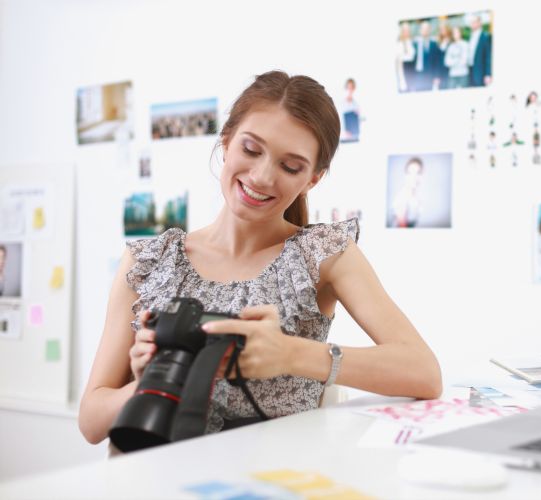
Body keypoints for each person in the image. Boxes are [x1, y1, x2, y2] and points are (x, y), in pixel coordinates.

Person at [78, 71, 442, 445]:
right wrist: (145, 384)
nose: (262, 176)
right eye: (251, 150)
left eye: (290, 167)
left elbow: (423, 371)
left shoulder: (323, 255)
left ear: (312, 179)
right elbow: (91, 422)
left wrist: (291, 354)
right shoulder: (149, 261)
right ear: (226, 143)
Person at [390, 157, 424, 228]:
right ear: (405, 175)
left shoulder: (417, 197)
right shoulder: (402, 198)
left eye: (418, 173)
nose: (414, 177)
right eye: (410, 173)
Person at [413, 21, 441, 91]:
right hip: (417, 74)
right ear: (420, 30)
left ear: (429, 30)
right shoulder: (415, 43)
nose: (425, 31)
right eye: (423, 29)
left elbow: (437, 62)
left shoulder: (434, 44)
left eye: (427, 29)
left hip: (429, 75)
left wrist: (437, 76)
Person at [467, 14, 492, 87]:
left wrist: (488, 74)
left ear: (479, 23)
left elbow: (488, 56)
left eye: (474, 22)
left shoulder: (486, 36)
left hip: (481, 72)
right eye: (471, 22)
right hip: (470, 71)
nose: (472, 24)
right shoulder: (470, 36)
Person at [395, 22, 416, 92]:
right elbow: (399, 58)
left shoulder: (412, 42)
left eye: (408, 30)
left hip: (412, 70)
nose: (406, 32)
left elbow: (412, 56)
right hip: (403, 69)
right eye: (404, 31)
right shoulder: (399, 43)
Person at [339, 78, 360, 143]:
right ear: (346, 88)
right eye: (349, 88)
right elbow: (339, 120)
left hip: (355, 136)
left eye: (352, 88)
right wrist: (344, 132)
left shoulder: (356, 105)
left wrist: (358, 117)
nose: (350, 90)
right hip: (344, 138)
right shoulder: (341, 104)